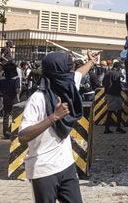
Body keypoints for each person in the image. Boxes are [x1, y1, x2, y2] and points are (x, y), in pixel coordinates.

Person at [18, 51, 99, 203]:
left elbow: (79, 73)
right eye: (67, 69)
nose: (70, 72)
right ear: (58, 73)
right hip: (43, 170)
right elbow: (22, 136)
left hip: (66, 165)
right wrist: (53, 117)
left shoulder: (67, 86)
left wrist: (91, 62)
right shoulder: (37, 99)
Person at [102, 59, 126, 134]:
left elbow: (103, 83)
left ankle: (108, 128)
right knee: (118, 110)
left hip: (108, 93)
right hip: (115, 94)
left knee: (110, 110)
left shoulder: (108, 73)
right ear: (118, 67)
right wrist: (121, 90)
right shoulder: (116, 73)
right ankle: (116, 128)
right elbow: (118, 84)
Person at [0, 62, 21, 138]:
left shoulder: (2, 79)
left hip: (6, 99)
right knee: (15, 116)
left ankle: (5, 133)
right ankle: (11, 130)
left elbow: (1, 90)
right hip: (14, 99)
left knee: (6, 116)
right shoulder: (16, 78)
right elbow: (17, 90)